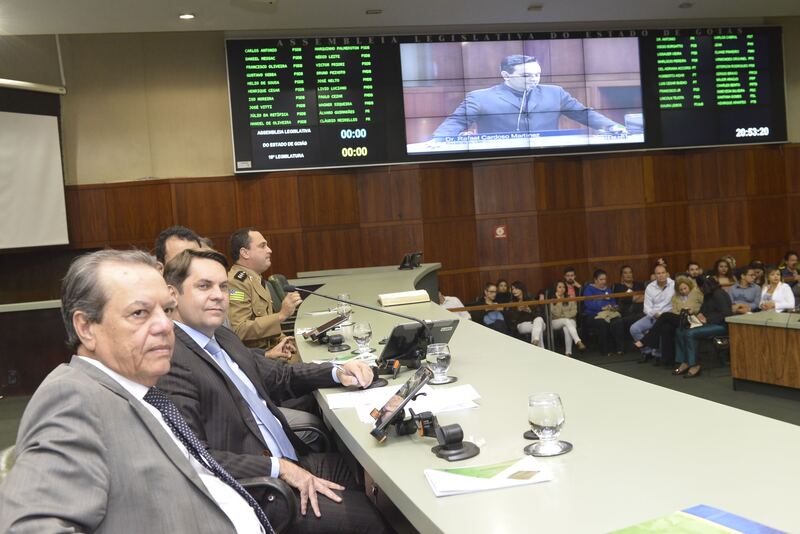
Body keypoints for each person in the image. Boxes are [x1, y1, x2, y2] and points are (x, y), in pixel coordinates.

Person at [0, 250, 268, 533]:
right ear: (86, 327)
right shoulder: (71, 398)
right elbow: (29, 527)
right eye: (139, 313)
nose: (165, 325)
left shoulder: (140, 390)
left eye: (167, 310)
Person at [158, 248, 389, 533]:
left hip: (292, 460)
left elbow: (280, 376)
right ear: (173, 294)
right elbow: (196, 457)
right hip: (261, 491)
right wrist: (279, 468)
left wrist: (337, 372)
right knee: (373, 521)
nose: (218, 295)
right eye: (204, 286)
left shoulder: (223, 337)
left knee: (376, 481)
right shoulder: (171, 360)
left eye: (223, 287)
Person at [431, 55, 624, 138]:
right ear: (506, 75)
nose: (534, 79)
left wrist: (612, 126)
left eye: (537, 74)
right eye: (526, 75)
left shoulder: (554, 92)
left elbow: (583, 114)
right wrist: (439, 140)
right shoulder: (480, 98)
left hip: (548, 156)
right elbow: (455, 123)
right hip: (499, 159)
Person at [227, 227, 302, 358]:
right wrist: (281, 315)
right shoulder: (236, 282)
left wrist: (281, 340)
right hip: (256, 358)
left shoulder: (256, 278)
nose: (269, 250)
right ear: (245, 253)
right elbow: (239, 329)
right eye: (263, 246)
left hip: (272, 351)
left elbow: (265, 320)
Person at [635, 276, 703, 368]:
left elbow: (701, 305)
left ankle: (646, 340)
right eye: (681, 289)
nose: (683, 291)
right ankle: (668, 361)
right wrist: (681, 312)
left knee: (665, 315)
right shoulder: (675, 297)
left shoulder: (695, 293)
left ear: (689, 286)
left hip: (693, 319)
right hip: (680, 318)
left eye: (685, 288)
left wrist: (693, 311)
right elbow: (675, 311)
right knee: (665, 327)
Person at [674, 277, 732, 378]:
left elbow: (726, 314)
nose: (699, 289)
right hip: (710, 324)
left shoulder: (719, 294)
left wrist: (707, 319)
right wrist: (699, 314)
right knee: (680, 331)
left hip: (721, 326)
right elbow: (703, 309)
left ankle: (694, 364)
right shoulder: (708, 294)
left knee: (690, 333)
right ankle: (685, 361)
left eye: (699, 287)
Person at [630, 264, 674, 364]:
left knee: (661, 328)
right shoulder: (650, 287)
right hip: (653, 316)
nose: (661, 275)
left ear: (667, 274)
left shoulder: (673, 285)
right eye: (658, 273)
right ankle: (648, 351)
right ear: (654, 275)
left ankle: (658, 355)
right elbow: (646, 308)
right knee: (634, 329)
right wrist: (654, 314)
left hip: (667, 316)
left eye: (663, 273)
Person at [582, 269, 624, 356]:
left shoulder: (608, 290)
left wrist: (613, 307)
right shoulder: (589, 289)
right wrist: (602, 308)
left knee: (618, 321)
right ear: (595, 280)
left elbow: (613, 302)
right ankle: (605, 350)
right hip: (592, 315)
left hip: (608, 313)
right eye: (601, 279)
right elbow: (588, 304)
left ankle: (619, 348)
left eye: (605, 279)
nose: (603, 281)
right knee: (602, 323)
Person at [610, 265, 645, 356]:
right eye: (625, 273)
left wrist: (632, 298)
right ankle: (621, 349)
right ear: (622, 275)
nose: (628, 274)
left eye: (630, 272)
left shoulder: (639, 285)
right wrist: (635, 298)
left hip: (640, 312)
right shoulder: (618, 287)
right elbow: (626, 299)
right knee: (618, 322)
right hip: (625, 314)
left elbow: (645, 297)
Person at [550, 280, 585, 356]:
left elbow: (574, 312)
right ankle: (578, 341)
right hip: (555, 322)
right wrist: (559, 300)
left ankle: (568, 353)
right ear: (555, 288)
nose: (562, 289)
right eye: (559, 287)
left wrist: (563, 316)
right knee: (566, 321)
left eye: (563, 287)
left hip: (570, 320)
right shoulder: (552, 300)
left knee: (567, 327)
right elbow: (556, 314)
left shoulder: (570, 298)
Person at [505, 281, 545, 346]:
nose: (514, 291)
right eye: (512, 289)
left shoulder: (530, 299)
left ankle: (535, 342)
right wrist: (518, 310)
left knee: (539, 319)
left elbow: (540, 315)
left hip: (535, 323)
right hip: (522, 325)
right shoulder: (512, 303)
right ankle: (536, 341)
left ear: (522, 289)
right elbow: (512, 321)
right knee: (538, 330)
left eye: (516, 288)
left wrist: (530, 311)